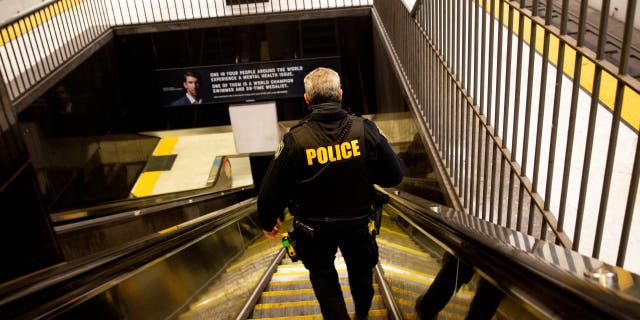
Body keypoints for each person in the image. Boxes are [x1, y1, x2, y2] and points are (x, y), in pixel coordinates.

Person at [258, 67, 404, 320]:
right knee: (361, 275)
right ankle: (361, 314)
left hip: (313, 231)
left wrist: (268, 221)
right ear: (340, 94)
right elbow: (395, 175)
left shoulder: (293, 141)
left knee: (324, 279)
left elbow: (270, 190)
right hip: (358, 225)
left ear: (306, 99)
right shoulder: (366, 129)